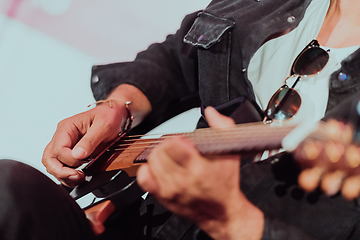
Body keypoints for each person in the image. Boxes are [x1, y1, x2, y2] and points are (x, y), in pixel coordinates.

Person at [2, 0, 360, 239]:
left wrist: (232, 219)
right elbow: (179, 57)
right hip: (139, 221)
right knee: (9, 190)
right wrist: (121, 106)